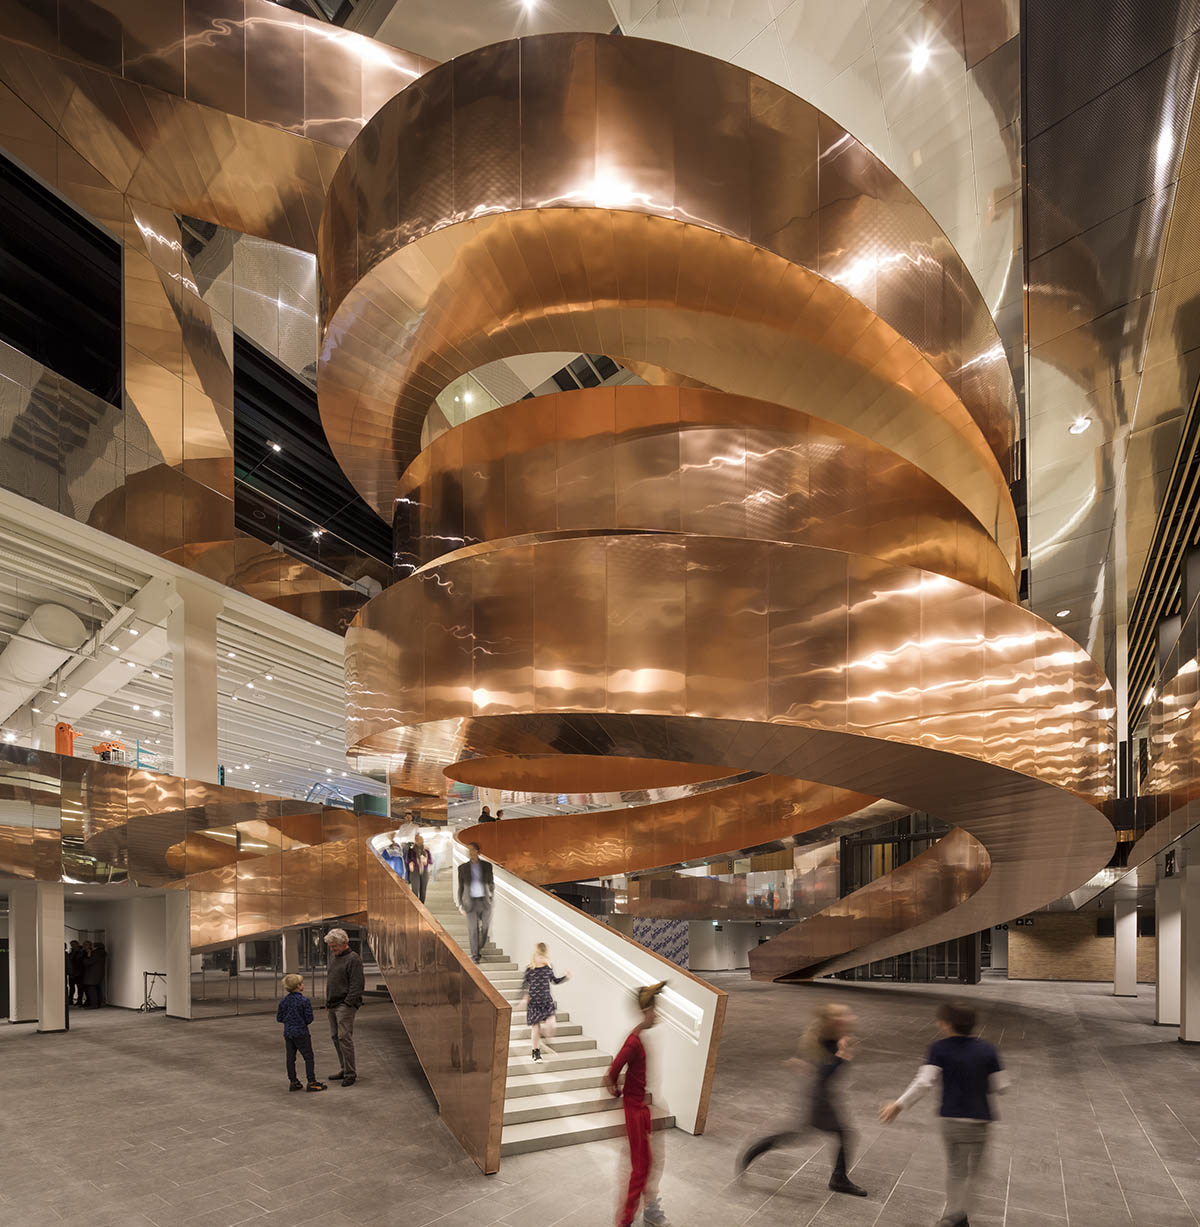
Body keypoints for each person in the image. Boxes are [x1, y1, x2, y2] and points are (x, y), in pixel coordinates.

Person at [879, 1001, 1009, 1227]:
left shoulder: (938, 1049)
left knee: (956, 1169)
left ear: (947, 1025)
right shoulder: (988, 1050)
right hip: (979, 1121)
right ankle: (957, 1216)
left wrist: (898, 1105)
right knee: (976, 1172)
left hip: (950, 1120)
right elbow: (1002, 1086)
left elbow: (923, 1083)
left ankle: (956, 1214)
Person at [737, 1003, 867, 1197]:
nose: (851, 1018)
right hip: (819, 1099)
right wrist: (842, 1055)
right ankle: (838, 1179)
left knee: (812, 1133)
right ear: (835, 1022)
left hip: (822, 1096)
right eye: (845, 1016)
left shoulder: (833, 1037)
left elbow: (819, 1068)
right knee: (834, 1133)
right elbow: (825, 1074)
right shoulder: (828, 1042)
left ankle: (755, 1150)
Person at [606, 981, 670, 1227]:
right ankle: (625, 1221)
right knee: (640, 1169)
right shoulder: (634, 1041)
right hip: (633, 1111)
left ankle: (650, 1210)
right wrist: (617, 1090)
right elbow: (612, 1071)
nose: (658, 1014)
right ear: (646, 1012)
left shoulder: (640, 1037)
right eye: (655, 1010)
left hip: (639, 1109)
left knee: (647, 1164)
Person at [323, 929, 364, 1087]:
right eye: (331, 947)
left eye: (334, 946)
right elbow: (331, 981)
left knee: (344, 1038)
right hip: (333, 1005)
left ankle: (350, 1073)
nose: (332, 950)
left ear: (344, 943)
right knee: (335, 1037)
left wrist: (348, 1003)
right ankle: (344, 1068)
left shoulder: (353, 959)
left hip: (344, 1006)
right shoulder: (335, 958)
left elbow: (357, 985)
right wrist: (328, 1002)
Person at [518, 942, 571, 1061]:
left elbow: (555, 981)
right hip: (534, 1003)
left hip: (546, 1002)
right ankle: (535, 1051)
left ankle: (543, 1036)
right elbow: (524, 985)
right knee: (535, 1027)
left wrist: (565, 977)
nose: (543, 960)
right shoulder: (530, 969)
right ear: (535, 956)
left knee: (551, 1024)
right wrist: (524, 997)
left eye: (545, 957)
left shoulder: (548, 968)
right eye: (540, 957)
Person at [275, 973, 326, 1093]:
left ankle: (293, 1082)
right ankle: (311, 1082)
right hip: (301, 1033)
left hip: (288, 1033)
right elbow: (309, 1019)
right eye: (301, 983)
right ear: (298, 986)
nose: (303, 985)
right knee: (308, 1057)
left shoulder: (283, 1002)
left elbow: (279, 1018)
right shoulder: (304, 1001)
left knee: (290, 1058)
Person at [456, 842, 494, 963]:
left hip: (485, 902)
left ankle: (479, 947)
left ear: (478, 851)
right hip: (470, 903)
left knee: (485, 927)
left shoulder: (487, 866)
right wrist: (460, 904)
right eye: (468, 850)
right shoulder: (462, 868)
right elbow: (460, 887)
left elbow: (491, 883)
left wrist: (491, 895)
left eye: (472, 850)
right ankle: (475, 955)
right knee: (473, 930)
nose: (470, 852)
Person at [406, 832, 433, 904]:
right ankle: (416, 906)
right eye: (416, 839)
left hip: (424, 871)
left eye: (420, 839)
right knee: (415, 889)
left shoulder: (426, 850)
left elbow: (431, 861)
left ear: (422, 840)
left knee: (423, 890)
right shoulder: (411, 849)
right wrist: (411, 863)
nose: (418, 841)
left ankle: (422, 905)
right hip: (415, 871)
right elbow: (408, 859)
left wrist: (426, 861)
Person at [82, 941, 107, 1008]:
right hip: (98, 973)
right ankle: (98, 1003)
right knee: (97, 989)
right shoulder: (102, 953)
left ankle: (94, 1004)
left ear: (96, 947)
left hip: (92, 974)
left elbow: (88, 962)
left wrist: (87, 956)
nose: (91, 947)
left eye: (92, 946)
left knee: (91, 989)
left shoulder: (95, 953)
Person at [67, 940, 85, 1007]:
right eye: (71, 945)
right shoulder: (71, 952)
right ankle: (70, 1000)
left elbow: (80, 962)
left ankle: (79, 1001)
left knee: (80, 988)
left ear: (77, 944)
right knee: (71, 988)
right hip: (72, 973)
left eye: (74, 944)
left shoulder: (81, 952)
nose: (72, 946)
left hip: (79, 973)